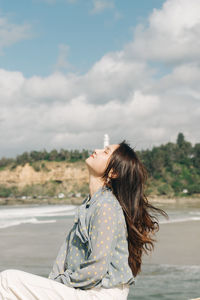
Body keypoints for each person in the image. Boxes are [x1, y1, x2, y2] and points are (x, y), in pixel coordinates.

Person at [0, 140, 168, 300]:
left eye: (106, 151)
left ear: (113, 172)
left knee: (7, 281)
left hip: (101, 295)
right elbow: (63, 258)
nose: (97, 150)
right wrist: (51, 284)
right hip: (85, 291)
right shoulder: (89, 205)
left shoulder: (106, 207)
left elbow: (96, 269)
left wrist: (57, 284)